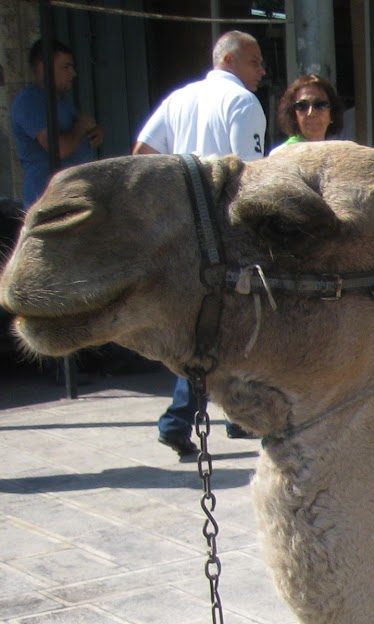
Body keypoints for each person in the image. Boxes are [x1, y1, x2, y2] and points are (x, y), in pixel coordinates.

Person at [134, 30, 266, 457]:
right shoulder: (242, 103)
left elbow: (142, 154)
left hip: (181, 231)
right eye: (255, 61)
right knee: (221, 327)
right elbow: (251, 175)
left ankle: (224, 416)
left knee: (208, 328)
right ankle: (181, 418)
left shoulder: (178, 99)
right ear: (228, 60)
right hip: (223, 231)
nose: (262, 71)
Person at [10, 39, 103, 208]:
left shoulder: (61, 102)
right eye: (66, 67)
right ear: (43, 67)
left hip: (74, 198)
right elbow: (58, 149)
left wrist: (94, 132)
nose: (73, 73)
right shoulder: (30, 101)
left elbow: (81, 130)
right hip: (49, 204)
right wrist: (81, 128)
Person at [271, 73, 342, 152]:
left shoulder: (341, 153)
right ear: (293, 115)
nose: (311, 113)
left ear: (332, 113)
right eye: (302, 106)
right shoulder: (281, 153)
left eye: (320, 105)